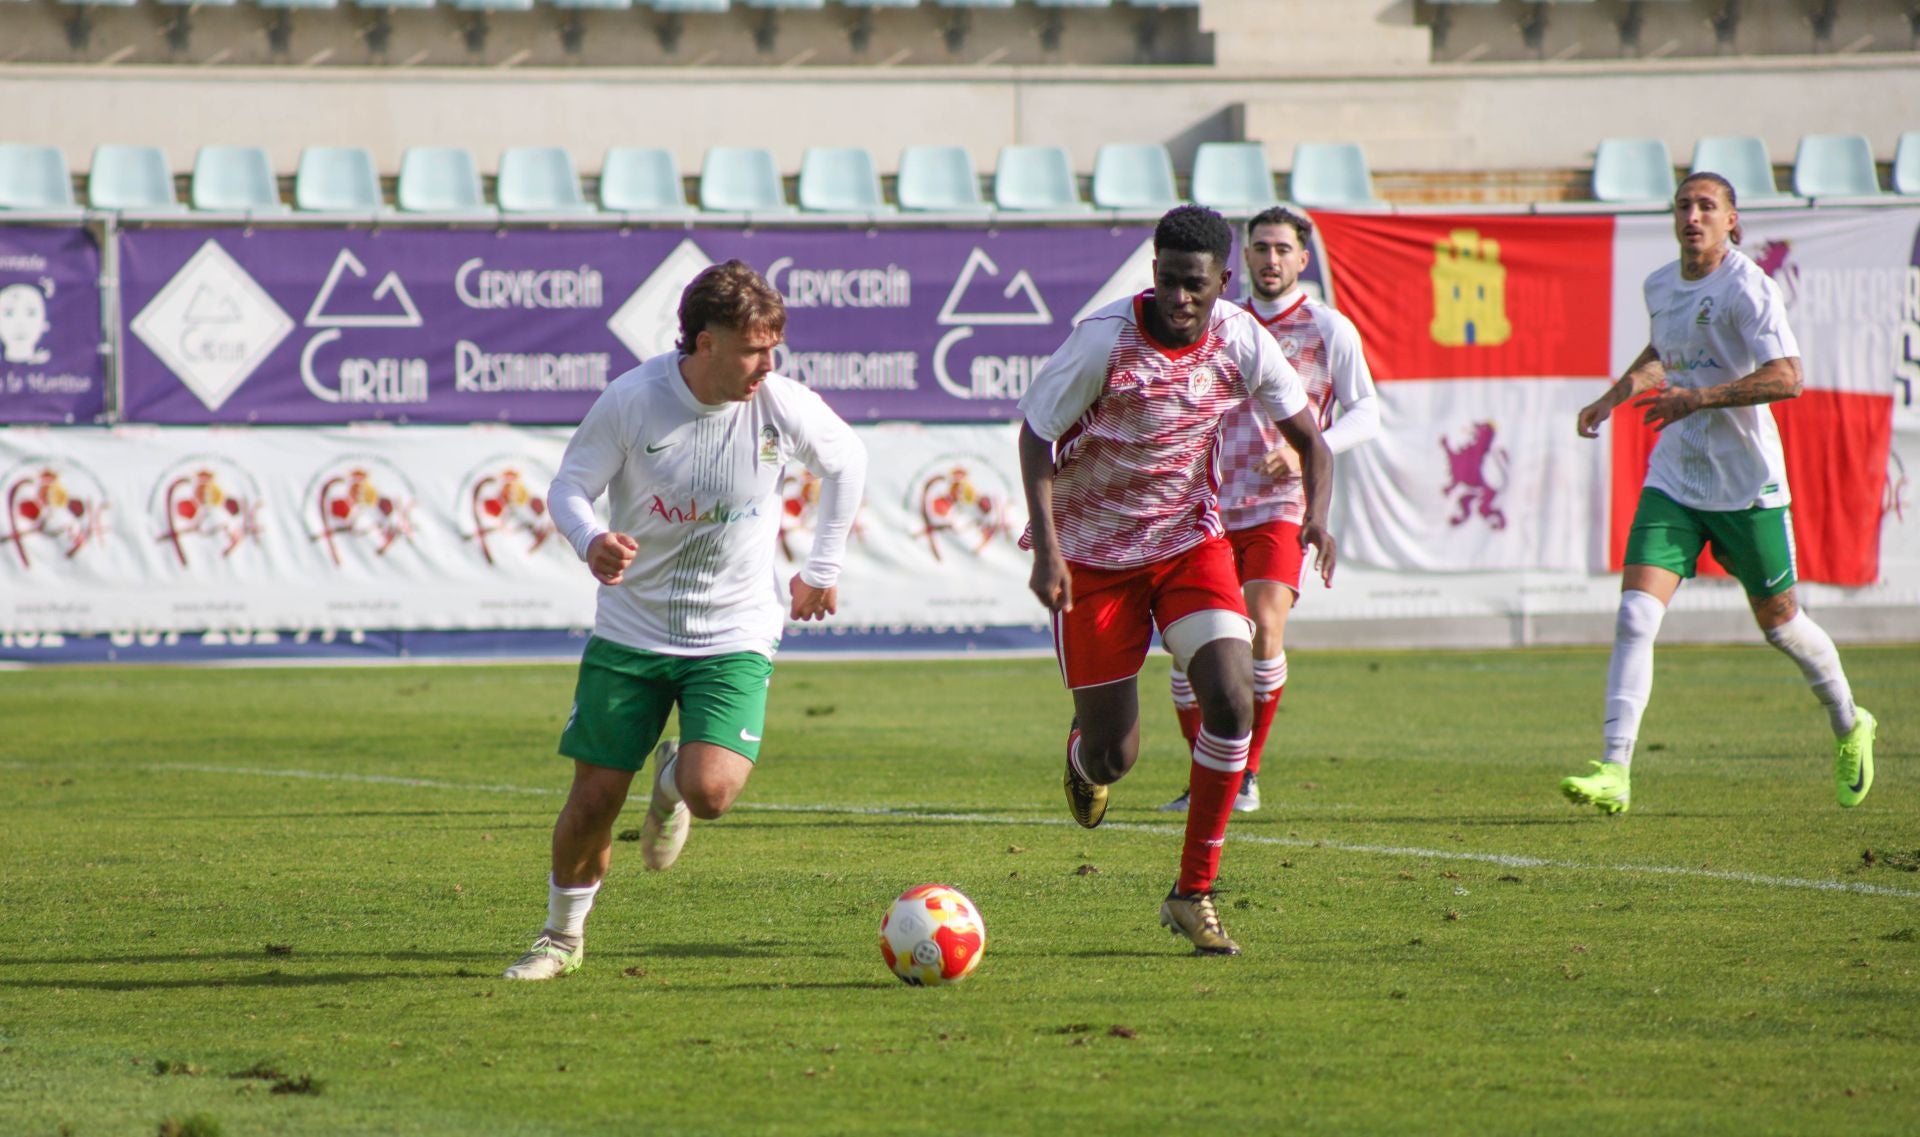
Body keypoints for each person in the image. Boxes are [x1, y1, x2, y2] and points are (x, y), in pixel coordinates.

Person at [503, 260, 868, 980]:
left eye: (773, 348)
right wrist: (591, 540)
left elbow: (847, 459)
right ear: (704, 343)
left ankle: (671, 779)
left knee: (712, 792)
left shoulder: (780, 403)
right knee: (596, 796)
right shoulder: (635, 399)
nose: (768, 364)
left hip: (735, 631)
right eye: (753, 349)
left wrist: (822, 567)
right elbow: (570, 486)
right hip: (631, 630)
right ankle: (561, 937)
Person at [1018, 204, 1337, 956]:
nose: (1180, 298)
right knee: (1113, 757)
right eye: (1168, 280)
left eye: (1196, 284)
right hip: (1094, 561)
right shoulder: (1104, 340)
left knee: (1233, 698)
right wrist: (1049, 550)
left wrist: (1314, 516)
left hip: (1188, 545)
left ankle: (1192, 892)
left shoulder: (1240, 336)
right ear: (1153, 271)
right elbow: (1035, 436)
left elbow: (1312, 444)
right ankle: (1081, 756)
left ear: (1221, 281)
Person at [1559, 171, 1875, 816]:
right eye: (1684, 205)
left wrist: (1699, 398)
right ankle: (1615, 769)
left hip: (1746, 484)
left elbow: (1788, 378)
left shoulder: (1748, 286)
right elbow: (1666, 352)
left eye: (1708, 206)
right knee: (1634, 616)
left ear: (1733, 220)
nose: (1693, 216)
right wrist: (1614, 396)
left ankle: (1850, 723)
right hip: (1676, 477)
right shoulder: (1659, 283)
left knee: (1781, 624)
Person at [1159, 206, 1380, 816]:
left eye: (1283, 248)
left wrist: (1312, 446)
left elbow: (1366, 412)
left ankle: (1248, 772)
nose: (1271, 258)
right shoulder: (1218, 319)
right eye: (1260, 247)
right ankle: (1207, 771)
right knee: (1189, 653)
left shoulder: (1328, 328)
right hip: (1203, 504)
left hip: (1279, 505)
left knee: (1263, 625)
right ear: (1242, 260)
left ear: (1302, 260)